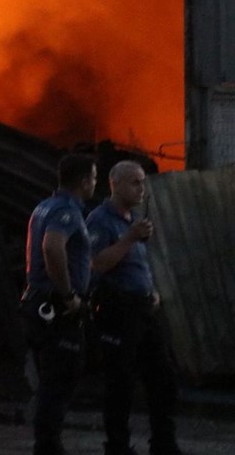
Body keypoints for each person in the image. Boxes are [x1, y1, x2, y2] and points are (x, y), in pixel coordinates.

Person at [88, 161, 182, 455]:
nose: (141, 189)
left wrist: (150, 290)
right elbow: (98, 264)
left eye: (143, 182)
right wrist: (128, 239)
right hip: (118, 310)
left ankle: (163, 443)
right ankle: (117, 446)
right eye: (135, 183)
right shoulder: (100, 220)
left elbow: (138, 266)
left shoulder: (134, 221)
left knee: (163, 376)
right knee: (121, 382)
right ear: (115, 184)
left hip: (143, 309)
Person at [21, 153, 97, 455]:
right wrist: (69, 296)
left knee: (52, 382)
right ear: (82, 181)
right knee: (59, 382)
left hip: (39, 306)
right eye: (93, 177)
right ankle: (49, 447)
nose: (95, 183)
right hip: (57, 310)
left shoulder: (44, 206)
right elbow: (53, 247)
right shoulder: (66, 211)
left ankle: (47, 444)